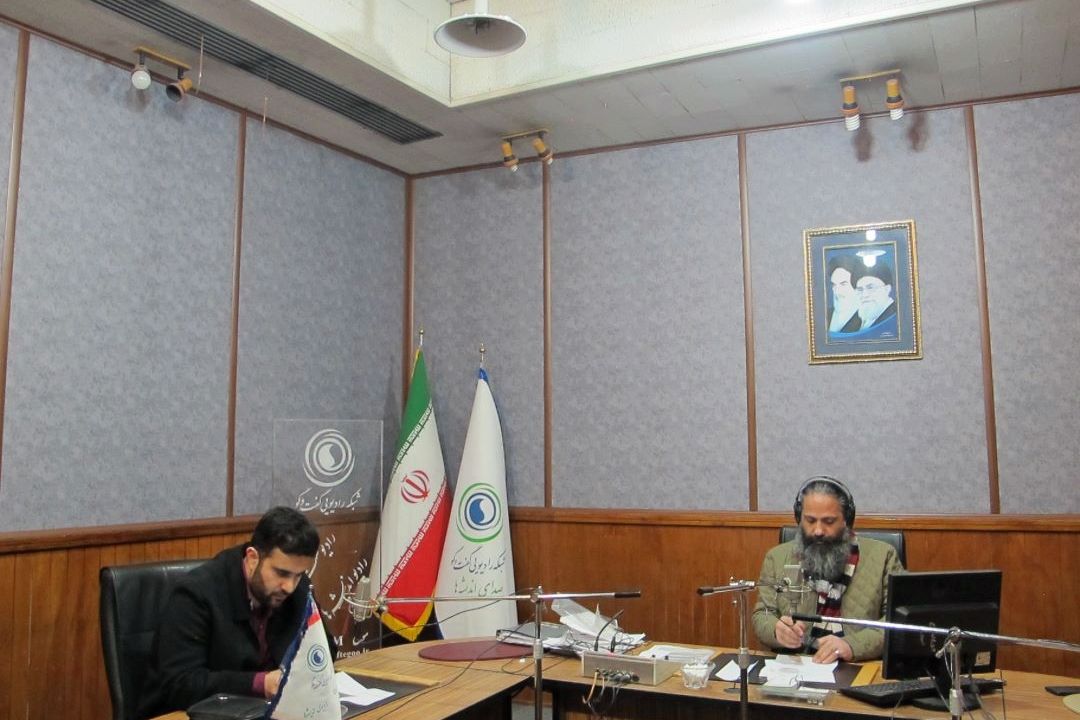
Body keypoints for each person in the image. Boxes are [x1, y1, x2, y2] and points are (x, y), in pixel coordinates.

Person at [137, 507, 336, 718]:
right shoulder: (196, 593)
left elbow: (324, 649)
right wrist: (262, 683)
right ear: (252, 558)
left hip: (262, 711)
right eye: (281, 573)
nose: (289, 586)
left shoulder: (297, 588)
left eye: (298, 575)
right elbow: (181, 684)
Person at [751, 477, 903, 663]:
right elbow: (762, 615)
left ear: (847, 520)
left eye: (829, 521)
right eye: (810, 521)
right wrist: (776, 629)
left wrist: (852, 645)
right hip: (797, 665)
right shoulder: (777, 558)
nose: (818, 531)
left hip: (859, 664)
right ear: (799, 518)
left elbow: (898, 621)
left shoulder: (883, 556)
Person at [825, 255, 860, 335]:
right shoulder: (825, 315)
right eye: (834, 285)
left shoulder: (866, 319)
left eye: (843, 284)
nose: (837, 291)